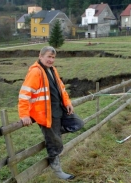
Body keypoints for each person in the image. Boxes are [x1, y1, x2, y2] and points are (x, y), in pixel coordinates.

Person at [18, 46, 84, 180]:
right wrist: (24, 115)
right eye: (48, 56)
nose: (51, 60)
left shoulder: (52, 70)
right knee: (55, 144)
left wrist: (67, 103)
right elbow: (24, 94)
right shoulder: (35, 72)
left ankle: (54, 134)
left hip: (59, 109)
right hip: (45, 114)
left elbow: (62, 89)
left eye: (53, 57)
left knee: (78, 123)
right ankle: (57, 171)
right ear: (40, 56)